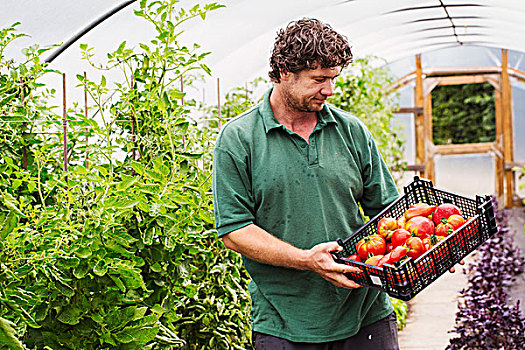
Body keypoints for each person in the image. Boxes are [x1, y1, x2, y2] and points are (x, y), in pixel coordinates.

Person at [212, 18, 400, 349]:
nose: (330, 90)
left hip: (365, 313)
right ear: (285, 73)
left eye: (333, 79)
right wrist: (305, 260)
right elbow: (235, 230)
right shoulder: (240, 139)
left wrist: (428, 250)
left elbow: (388, 210)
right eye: (319, 80)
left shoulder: (350, 130)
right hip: (284, 321)